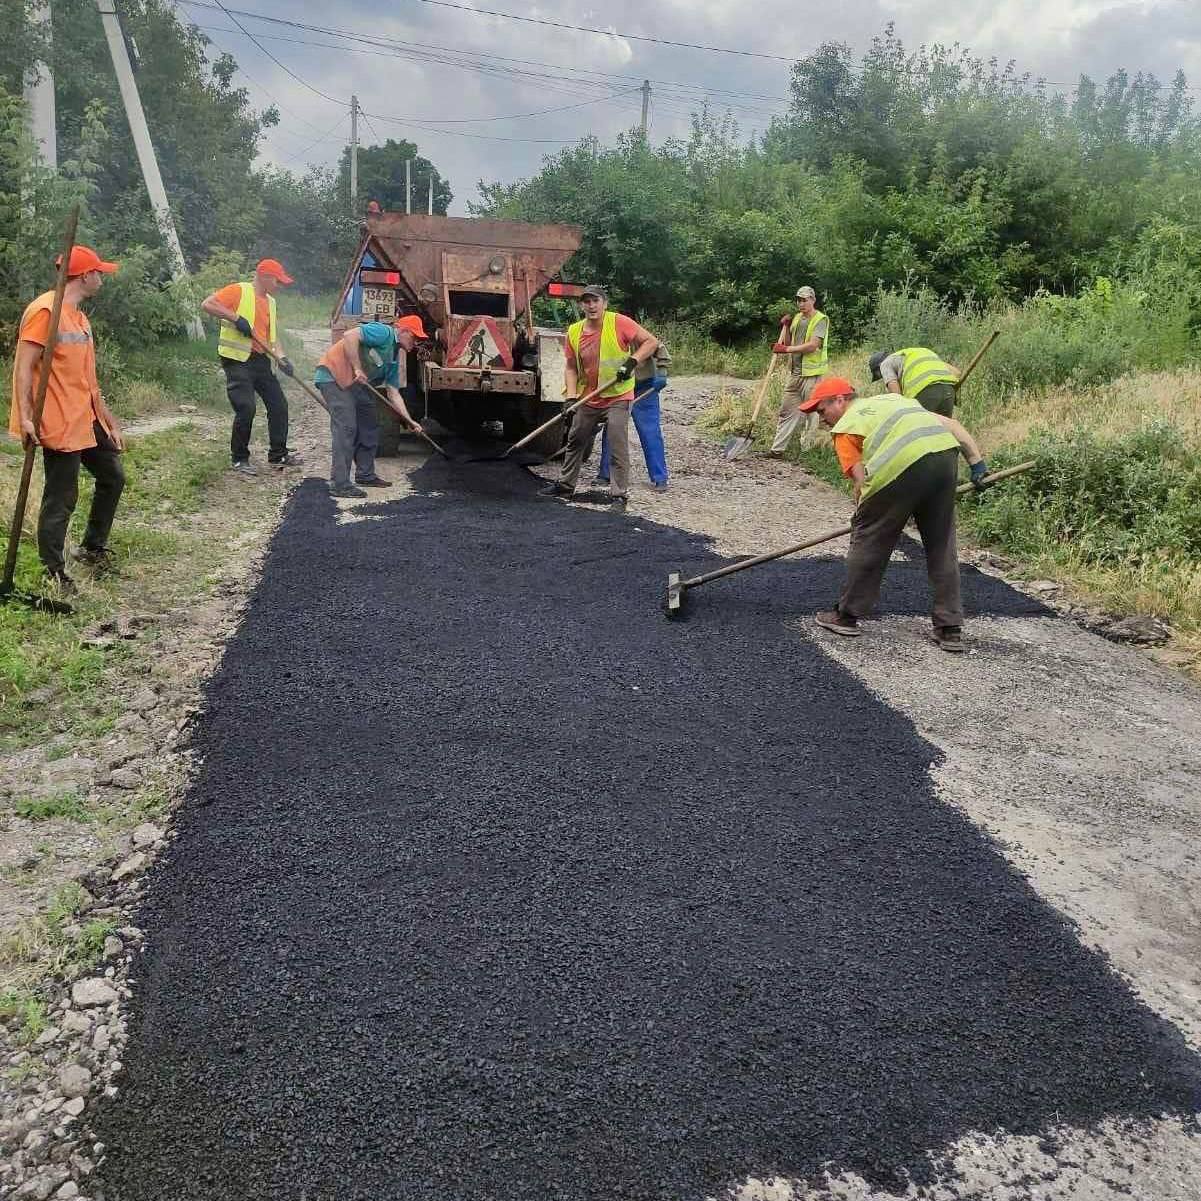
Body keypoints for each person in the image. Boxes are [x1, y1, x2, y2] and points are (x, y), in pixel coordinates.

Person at [798, 376, 990, 653]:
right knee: (941, 545)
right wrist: (977, 464)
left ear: (840, 400)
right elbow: (954, 427)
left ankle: (845, 615)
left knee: (868, 538)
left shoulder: (846, 427)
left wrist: (866, 516)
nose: (823, 419)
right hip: (944, 458)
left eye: (822, 411)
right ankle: (950, 629)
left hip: (902, 466)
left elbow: (861, 481)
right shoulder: (895, 401)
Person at [9, 245, 125, 590]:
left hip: (84, 416)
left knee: (112, 476)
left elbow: (87, 377)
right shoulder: (47, 310)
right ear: (86, 275)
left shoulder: (77, 315)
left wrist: (106, 417)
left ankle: (91, 548)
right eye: (99, 272)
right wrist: (27, 417)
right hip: (58, 418)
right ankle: (53, 571)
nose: (102, 278)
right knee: (61, 496)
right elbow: (24, 368)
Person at [540, 285, 658, 512]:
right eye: (586, 301)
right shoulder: (574, 331)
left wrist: (632, 362)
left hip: (618, 395)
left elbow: (650, 342)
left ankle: (619, 496)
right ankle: (565, 486)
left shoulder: (619, 322)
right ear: (581, 305)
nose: (591, 305)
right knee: (575, 440)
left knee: (617, 443)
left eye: (595, 301)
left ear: (604, 303)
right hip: (588, 397)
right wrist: (571, 397)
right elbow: (571, 367)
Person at [200, 259, 302, 476]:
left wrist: (283, 359)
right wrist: (236, 318)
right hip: (237, 360)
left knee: (279, 405)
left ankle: (278, 455)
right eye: (277, 281)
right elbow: (207, 304)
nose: (279, 286)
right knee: (246, 408)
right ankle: (239, 458)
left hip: (260, 361)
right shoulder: (239, 290)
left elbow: (271, 338)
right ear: (264, 277)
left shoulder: (271, 302)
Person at [315, 314, 427, 498]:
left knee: (370, 424)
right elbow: (350, 336)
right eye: (414, 337)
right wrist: (357, 368)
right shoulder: (384, 333)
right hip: (333, 377)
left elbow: (393, 393)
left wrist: (410, 421)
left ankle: (365, 474)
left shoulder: (393, 357)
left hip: (355, 386)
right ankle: (339, 483)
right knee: (346, 428)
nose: (415, 343)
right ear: (404, 331)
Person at [595, 342, 671, 492]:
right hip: (618, 388)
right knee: (613, 428)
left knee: (650, 432)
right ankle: (605, 474)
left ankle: (660, 478)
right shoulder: (604, 337)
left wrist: (662, 371)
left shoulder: (636, 334)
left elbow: (659, 347)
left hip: (643, 387)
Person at [770, 285, 829, 456]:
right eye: (799, 300)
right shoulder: (797, 318)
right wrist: (787, 327)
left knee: (812, 414)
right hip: (795, 374)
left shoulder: (821, 319)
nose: (801, 303)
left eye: (804, 300)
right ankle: (777, 450)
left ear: (812, 300)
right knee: (787, 411)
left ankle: (808, 450)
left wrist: (786, 350)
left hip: (812, 376)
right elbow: (790, 343)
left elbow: (813, 346)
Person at [868, 347, 960, 416]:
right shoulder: (917, 353)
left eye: (879, 376)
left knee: (918, 433)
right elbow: (957, 372)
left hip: (924, 392)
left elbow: (897, 396)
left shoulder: (884, 364)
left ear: (878, 368)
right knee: (944, 434)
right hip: (949, 391)